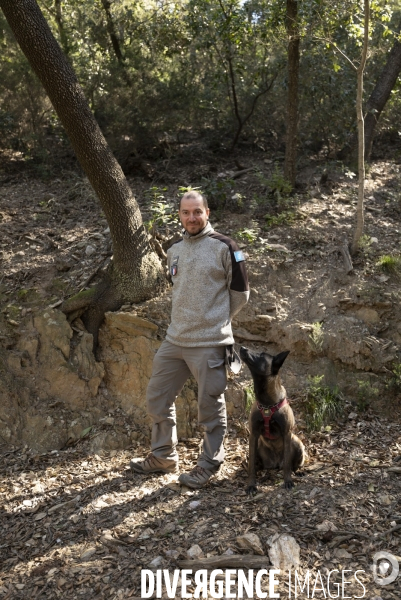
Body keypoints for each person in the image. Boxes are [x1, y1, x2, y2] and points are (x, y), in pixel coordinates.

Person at [130, 190, 249, 488]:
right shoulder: (174, 250)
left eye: (197, 211)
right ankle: (163, 457)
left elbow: (241, 294)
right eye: (186, 212)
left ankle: (208, 465)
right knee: (157, 397)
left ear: (207, 212)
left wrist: (216, 322)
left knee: (209, 406)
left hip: (210, 342)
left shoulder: (225, 246)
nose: (192, 217)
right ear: (180, 215)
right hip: (175, 341)